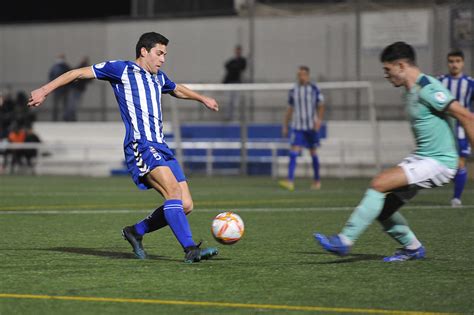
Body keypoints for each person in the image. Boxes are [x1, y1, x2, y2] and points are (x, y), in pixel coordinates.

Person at [28, 32, 220, 263]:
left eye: (165, 54)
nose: (163, 59)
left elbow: (176, 89)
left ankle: (135, 232)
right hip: (141, 144)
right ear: (144, 51)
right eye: (159, 53)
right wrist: (44, 90)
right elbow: (77, 73)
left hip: (161, 146)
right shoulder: (121, 69)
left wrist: (202, 99)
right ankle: (190, 249)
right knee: (173, 193)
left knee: (186, 204)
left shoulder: (158, 77)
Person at [314, 42, 474, 262]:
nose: (387, 76)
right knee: (384, 209)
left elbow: (467, 116)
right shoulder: (409, 91)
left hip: (439, 162)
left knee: (379, 183)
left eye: (388, 70)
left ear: (401, 65)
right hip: (423, 158)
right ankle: (412, 248)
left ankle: (344, 240)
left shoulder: (428, 88)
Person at [278, 66, 325, 191]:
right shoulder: (294, 90)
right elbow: (290, 108)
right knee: (293, 151)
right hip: (298, 126)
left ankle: (316, 181)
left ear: (308, 75)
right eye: (299, 74)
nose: (301, 77)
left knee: (313, 152)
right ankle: (290, 181)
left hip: (311, 126)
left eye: (303, 74)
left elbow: (321, 106)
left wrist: (319, 121)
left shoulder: (314, 88)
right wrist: (285, 125)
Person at [437, 49, 474, 207]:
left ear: (463, 63)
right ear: (448, 63)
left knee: (460, 162)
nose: (454, 65)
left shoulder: (470, 83)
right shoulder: (439, 82)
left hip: (461, 128)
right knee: (445, 163)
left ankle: (456, 198)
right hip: (444, 126)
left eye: (457, 61)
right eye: (451, 61)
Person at [222, 45, 246, 121]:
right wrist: (234, 67)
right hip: (229, 83)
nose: (237, 51)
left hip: (237, 83)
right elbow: (226, 65)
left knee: (236, 101)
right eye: (236, 50)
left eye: (239, 50)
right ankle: (228, 117)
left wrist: (234, 67)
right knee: (229, 101)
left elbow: (241, 67)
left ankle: (236, 117)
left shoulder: (242, 60)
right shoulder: (232, 60)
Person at [65, 56, 91, 121]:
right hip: (78, 88)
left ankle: (69, 117)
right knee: (74, 104)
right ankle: (70, 117)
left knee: (72, 103)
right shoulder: (86, 68)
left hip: (76, 88)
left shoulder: (79, 67)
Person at [48, 54, 71, 121]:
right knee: (61, 105)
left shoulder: (56, 67)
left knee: (62, 104)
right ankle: (58, 118)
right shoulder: (63, 66)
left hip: (60, 89)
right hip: (60, 89)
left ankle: (61, 118)